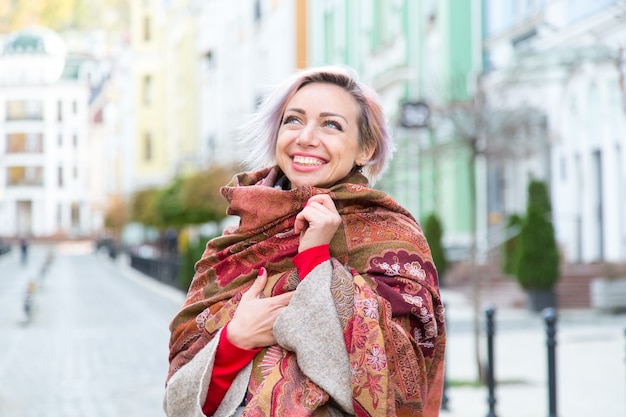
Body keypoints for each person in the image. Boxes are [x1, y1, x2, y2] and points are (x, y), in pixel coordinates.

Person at [164, 66, 446, 417]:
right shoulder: (239, 240)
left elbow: (390, 385)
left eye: (331, 125)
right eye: (293, 120)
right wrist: (235, 339)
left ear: (365, 147)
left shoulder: (393, 239)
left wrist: (314, 256)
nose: (305, 137)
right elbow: (179, 402)